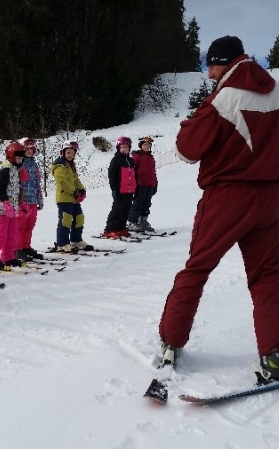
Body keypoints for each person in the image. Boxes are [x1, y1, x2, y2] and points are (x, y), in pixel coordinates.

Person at [158, 35, 279, 381]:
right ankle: (275, 353)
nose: (209, 73)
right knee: (268, 276)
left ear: (225, 62)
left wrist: (190, 124)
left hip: (227, 197)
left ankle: (171, 341)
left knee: (196, 270)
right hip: (271, 198)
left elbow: (186, 150)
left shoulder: (222, 100)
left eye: (211, 65)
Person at [0, 142, 29, 269]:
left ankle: (8, 256)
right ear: (11, 156)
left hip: (13, 209)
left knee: (12, 235)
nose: (20, 160)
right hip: (1, 209)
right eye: (18, 158)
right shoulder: (5, 170)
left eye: (21, 158)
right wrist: (6, 203)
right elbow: (1, 189)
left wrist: (22, 203)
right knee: (0, 236)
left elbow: (17, 189)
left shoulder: (17, 170)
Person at [51, 140, 93, 252]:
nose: (71, 155)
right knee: (66, 220)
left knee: (79, 218)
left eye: (73, 153)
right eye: (68, 153)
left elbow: (76, 179)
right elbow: (63, 182)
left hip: (74, 199)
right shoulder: (60, 166)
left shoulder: (71, 166)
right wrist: (75, 192)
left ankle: (76, 240)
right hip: (64, 198)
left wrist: (82, 189)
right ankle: (62, 243)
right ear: (63, 153)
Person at [15, 137, 44, 261]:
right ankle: (16, 248)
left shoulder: (34, 164)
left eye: (32, 149)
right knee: (20, 225)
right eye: (27, 149)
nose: (29, 152)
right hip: (23, 200)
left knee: (30, 224)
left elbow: (37, 182)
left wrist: (40, 199)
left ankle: (25, 246)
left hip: (33, 200)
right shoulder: (19, 164)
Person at [102, 136, 136, 238]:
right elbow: (112, 175)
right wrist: (114, 188)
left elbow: (134, 175)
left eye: (126, 147)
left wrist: (135, 187)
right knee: (117, 209)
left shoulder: (131, 161)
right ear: (118, 148)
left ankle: (121, 228)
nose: (124, 149)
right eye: (122, 147)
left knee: (126, 209)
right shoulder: (116, 160)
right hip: (120, 189)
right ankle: (110, 229)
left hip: (129, 190)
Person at [127, 136, 157, 232]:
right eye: (145, 144)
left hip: (150, 184)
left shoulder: (151, 157)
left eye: (148, 145)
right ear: (141, 146)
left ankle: (143, 221)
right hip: (140, 184)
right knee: (137, 203)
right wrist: (134, 183)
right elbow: (132, 170)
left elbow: (153, 171)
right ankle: (132, 222)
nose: (147, 146)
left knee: (147, 203)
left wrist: (155, 184)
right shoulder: (137, 156)